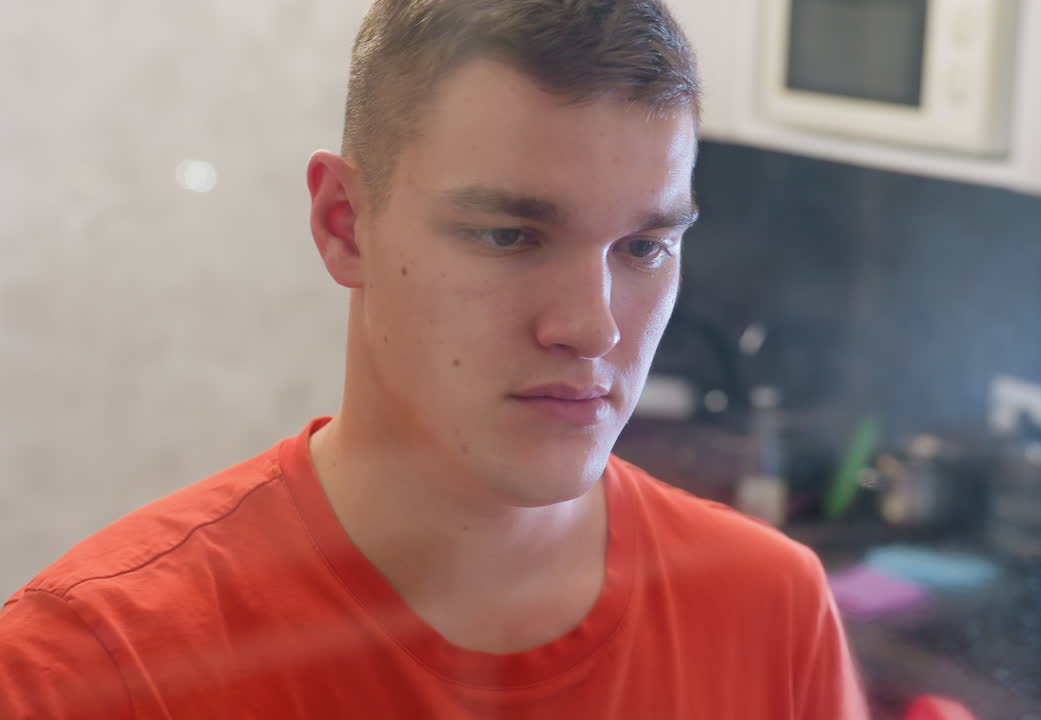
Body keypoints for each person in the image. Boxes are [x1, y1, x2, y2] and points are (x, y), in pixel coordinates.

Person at [0, 1, 868, 717]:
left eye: (643, 248)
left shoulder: (770, 610)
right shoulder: (91, 667)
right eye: (508, 234)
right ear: (344, 224)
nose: (592, 326)